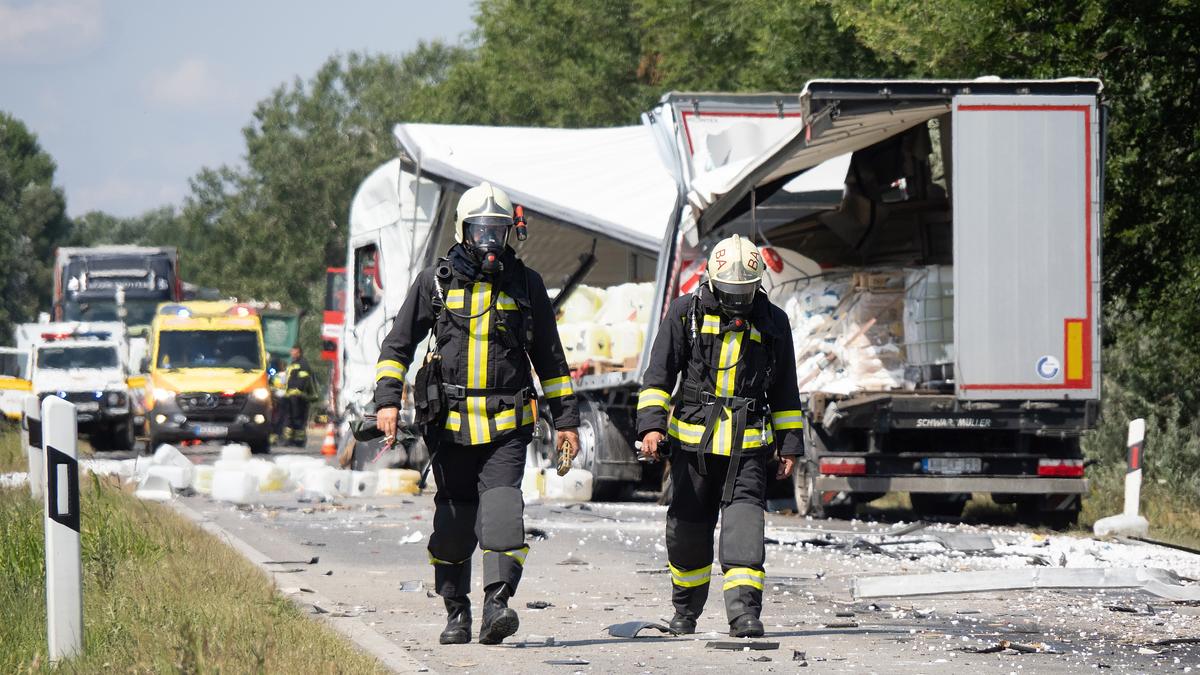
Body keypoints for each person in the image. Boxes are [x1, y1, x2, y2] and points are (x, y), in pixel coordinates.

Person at [373, 182, 580, 645]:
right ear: (463, 230)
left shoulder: (527, 285)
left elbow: (551, 358)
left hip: (507, 426)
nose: (490, 242)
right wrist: (386, 400)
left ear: (511, 233)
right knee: (452, 525)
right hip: (449, 428)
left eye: (498, 231)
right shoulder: (435, 281)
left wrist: (566, 421)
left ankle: (497, 604)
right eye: (481, 231)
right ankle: (456, 612)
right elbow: (397, 346)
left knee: (504, 511)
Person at [637, 234, 805, 638]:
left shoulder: (773, 322)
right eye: (730, 291)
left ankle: (744, 614)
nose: (737, 299)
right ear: (712, 281)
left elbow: (785, 390)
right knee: (687, 531)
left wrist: (790, 445)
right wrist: (651, 427)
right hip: (693, 447)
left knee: (744, 530)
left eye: (745, 291)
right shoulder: (685, 314)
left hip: (748, 448)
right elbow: (658, 375)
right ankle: (685, 611)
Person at [283, 345, 317, 447]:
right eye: (292, 351)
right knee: (290, 418)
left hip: (298, 397)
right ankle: (289, 439)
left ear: (299, 352)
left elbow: (302, 381)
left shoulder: (303, 364)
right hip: (291, 396)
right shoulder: (293, 364)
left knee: (298, 418)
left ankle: (299, 441)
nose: (292, 353)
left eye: (294, 351)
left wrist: (295, 390)